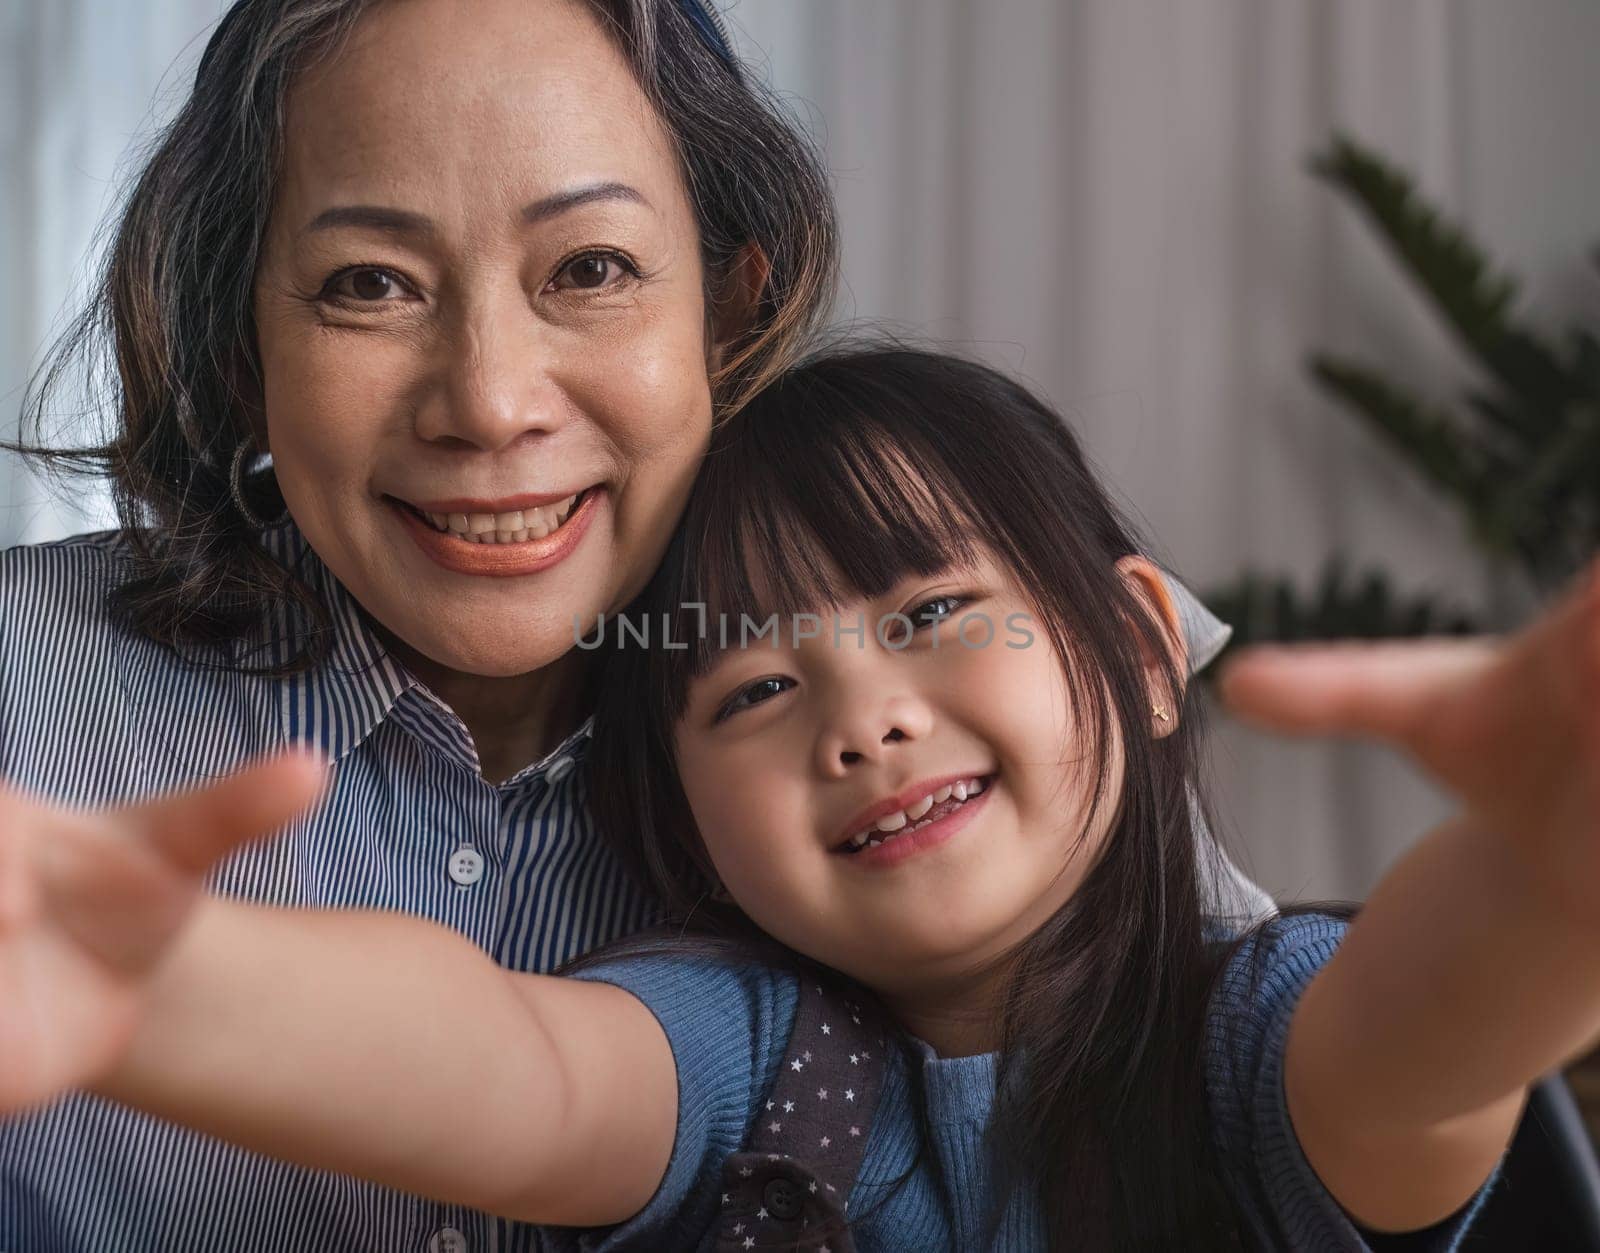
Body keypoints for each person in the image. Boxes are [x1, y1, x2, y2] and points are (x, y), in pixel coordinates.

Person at [0, 3, 1258, 1250]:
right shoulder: (23, 677)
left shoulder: (931, 717)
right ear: (242, 352)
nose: (489, 404)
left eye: (590, 268)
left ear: (727, 311)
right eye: (368, 284)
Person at [8, 348, 1596, 1250]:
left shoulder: (1254, 1043)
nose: (861, 719)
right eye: (755, 690)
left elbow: (1421, 1042)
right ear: (685, 812)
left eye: (929, 616)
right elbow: (513, 1067)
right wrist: (160, 980)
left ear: (1137, 642)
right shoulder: (752, 1051)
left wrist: (1544, 880)